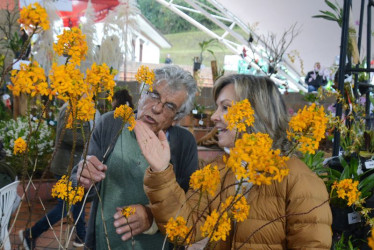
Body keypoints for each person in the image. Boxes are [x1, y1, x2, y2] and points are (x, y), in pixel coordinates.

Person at [139, 74, 332, 249]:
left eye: (225, 107)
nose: (214, 117)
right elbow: (183, 230)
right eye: (217, 108)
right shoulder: (218, 170)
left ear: (255, 113)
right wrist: (162, 171)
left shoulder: (299, 180)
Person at [72, 65, 198, 249]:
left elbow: (189, 206)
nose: (156, 108)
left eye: (169, 106)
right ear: (141, 93)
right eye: (153, 94)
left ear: (176, 117)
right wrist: (82, 178)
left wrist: (151, 216)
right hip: (105, 241)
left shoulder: (184, 143)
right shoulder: (111, 123)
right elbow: (81, 184)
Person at [19, 103, 101, 250]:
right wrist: (94, 136)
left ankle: (80, 236)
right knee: (64, 208)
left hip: (74, 166)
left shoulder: (85, 105)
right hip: (65, 167)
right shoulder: (70, 107)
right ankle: (30, 233)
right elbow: (68, 135)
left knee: (78, 202)